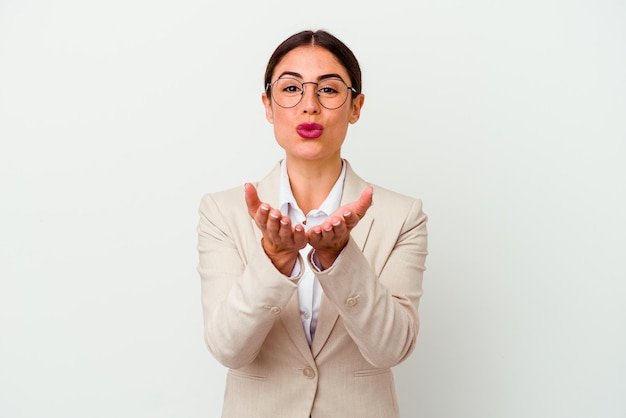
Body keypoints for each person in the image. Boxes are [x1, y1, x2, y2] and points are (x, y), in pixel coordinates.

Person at [197, 29, 428, 418]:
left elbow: (392, 349)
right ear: (268, 106)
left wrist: (339, 259)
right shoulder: (222, 212)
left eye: (329, 90)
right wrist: (273, 260)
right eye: (290, 89)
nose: (309, 106)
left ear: (356, 107)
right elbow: (228, 349)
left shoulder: (402, 215)